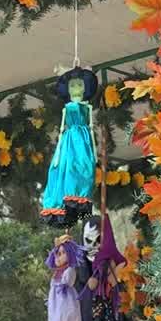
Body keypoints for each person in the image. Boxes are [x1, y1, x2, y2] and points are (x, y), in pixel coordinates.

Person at [40, 68, 98, 227]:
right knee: (61, 169)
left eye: (79, 85)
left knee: (78, 166)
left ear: (85, 88)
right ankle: (61, 202)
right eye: (72, 86)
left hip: (80, 138)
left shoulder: (86, 107)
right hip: (68, 140)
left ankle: (76, 194)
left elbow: (91, 127)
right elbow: (61, 127)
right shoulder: (68, 108)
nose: (76, 89)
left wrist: (92, 148)